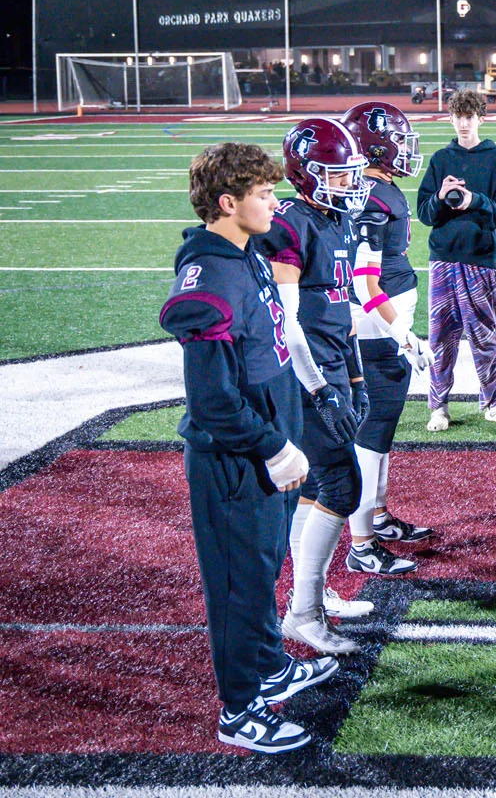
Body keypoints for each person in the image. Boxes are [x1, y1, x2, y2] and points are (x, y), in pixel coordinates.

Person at [162, 142, 335, 753]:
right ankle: (239, 709)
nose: (273, 201)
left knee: (262, 571)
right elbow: (212, 399)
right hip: (235, 457)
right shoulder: (212, 273)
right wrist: (270, 444)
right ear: (228, 203)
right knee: (238, 583)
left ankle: (267, 664)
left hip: (265, 440)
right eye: (262, 194)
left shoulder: (245, 248)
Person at [257, 118, 374, 654]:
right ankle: (302, 612)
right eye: (338, 174)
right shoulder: (291, 225)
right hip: (305, 378)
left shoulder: (334, 221)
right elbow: (289, 319)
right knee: (343, 486)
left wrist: (353, 375)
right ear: (305, 174)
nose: (350, 184)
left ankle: (312, 593)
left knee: (317, 485)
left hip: (331, 367)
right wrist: (322, 389)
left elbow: (343, 309)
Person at [344, 101, 437, 566]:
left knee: (380, 433)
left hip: (383, 330)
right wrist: (405, 336)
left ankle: (377, 515)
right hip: (377, 332)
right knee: (370, 434)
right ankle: (361, 545)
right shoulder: (374, 197)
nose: (403, 148)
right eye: (397, 139)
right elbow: (364, 286)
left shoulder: (375, 189)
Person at [417, 89, 496, 431]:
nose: (463, 123)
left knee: (486, 336)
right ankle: (438, 407)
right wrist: (441, 196)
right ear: (450, 119)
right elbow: (425, 214)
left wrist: (475, 200)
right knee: (440, 338)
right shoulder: (440, 159)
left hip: (481, 260)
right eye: (457, 117)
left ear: (481, 118)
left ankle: (493, 404)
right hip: (443, 259)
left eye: (469, 116)